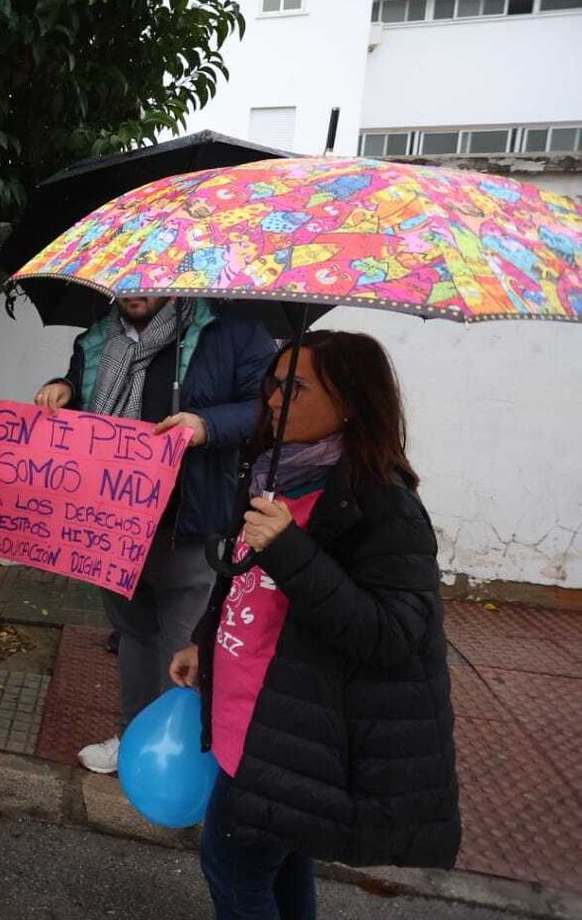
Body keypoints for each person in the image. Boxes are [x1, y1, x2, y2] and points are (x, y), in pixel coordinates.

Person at [169, 331, 460, 917]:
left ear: (350, 401)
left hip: (291, 734)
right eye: (273, 384)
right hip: (246, 714)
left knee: (234, 869)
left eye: (295, 387)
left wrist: (291, 549)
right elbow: (242, 579)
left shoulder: (381, 503)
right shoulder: (275, 474)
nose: (273, 400)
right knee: (283, 863)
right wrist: (205, 640)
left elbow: (394, 635)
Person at [35, 297, 273, 775]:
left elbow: (266, 409)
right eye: (126, 280)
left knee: (183, 648)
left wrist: (207, 426)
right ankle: (132, 738)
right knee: (133, 637)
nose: (135, 289)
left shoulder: (233, 335)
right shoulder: (97, 339)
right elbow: (84, 411)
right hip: (108, 528)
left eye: (148, 279)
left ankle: (174, 761)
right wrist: (62, 388)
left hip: (188, 522)